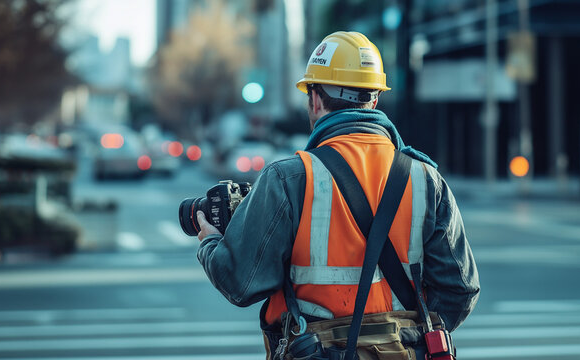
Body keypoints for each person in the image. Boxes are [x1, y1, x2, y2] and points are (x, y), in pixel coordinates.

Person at [196, 31, 479, 359]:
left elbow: (240, 283)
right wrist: (406, 337)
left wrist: (210, 243)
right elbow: (460, 290)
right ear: (374, 99)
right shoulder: (425, 178)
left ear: (315, 99)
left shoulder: (289, 178)